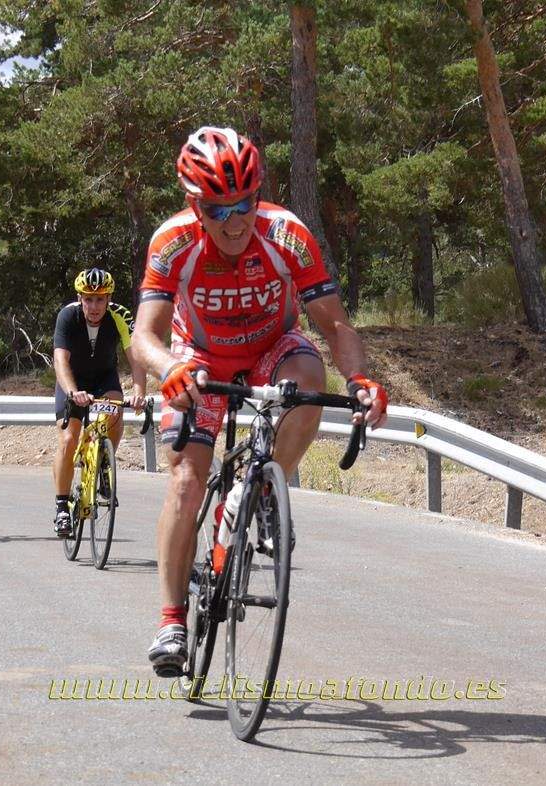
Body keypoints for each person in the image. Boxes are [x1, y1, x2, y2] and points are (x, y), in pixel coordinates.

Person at [131, 126, 389, 676]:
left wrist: (361, 378)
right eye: (218, 208)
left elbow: (335, 323)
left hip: (271, 347)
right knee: (185, 482)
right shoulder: (172, 242)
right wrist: (168, 368)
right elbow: (143, 337)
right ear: (193, 204)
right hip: (196, 356)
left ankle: (268, 485)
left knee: (309, 372)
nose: (234, 220)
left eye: (244, 203)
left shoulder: (287, 233)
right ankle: (172, 617)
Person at [51, 267, 148, 537]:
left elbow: (135, 356)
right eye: (89, 299)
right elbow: (60, 361)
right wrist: (72, 392)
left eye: (100, 299)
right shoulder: (67, 316)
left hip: (104, 376)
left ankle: (104, 461)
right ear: (80, 298)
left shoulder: (120, 315)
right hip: (73, 380)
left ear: (109, 299)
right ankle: (61, 507)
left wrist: (139, 390)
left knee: (116, 410)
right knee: (69, 439)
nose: (94, 306)